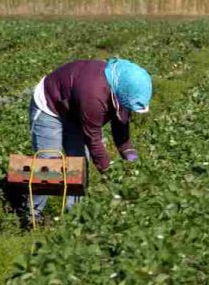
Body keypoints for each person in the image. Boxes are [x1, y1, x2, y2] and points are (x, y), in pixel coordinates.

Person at [26, 58, 151, 223]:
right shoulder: (94, 93)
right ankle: (32, 215)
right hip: (50, 105)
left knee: (78, 162)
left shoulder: (122, 90)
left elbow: (121, 126)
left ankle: (74, 215)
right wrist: (109, 173)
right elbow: (93, 139)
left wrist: (130, 156)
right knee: (48, 162)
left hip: (75, 109)